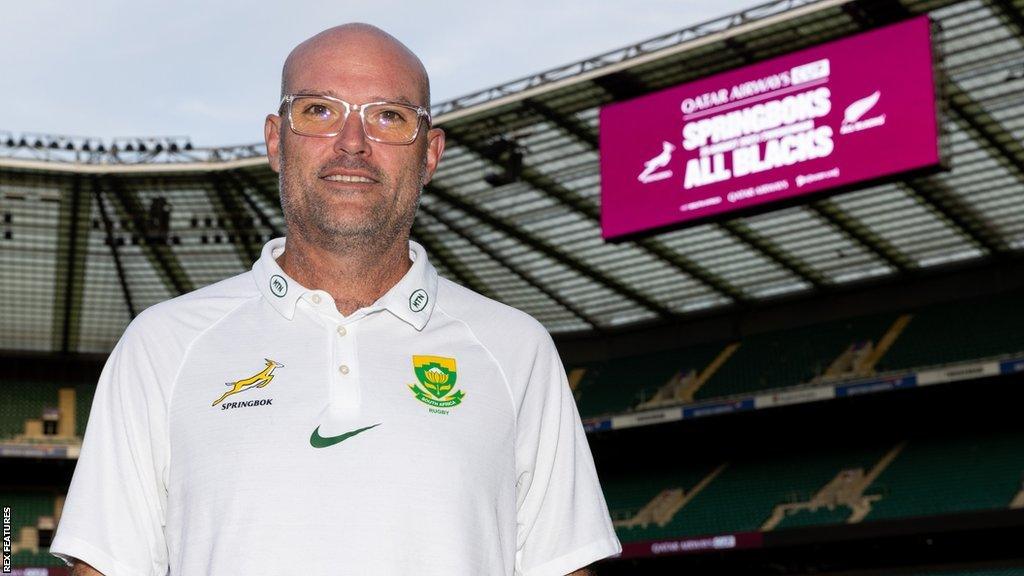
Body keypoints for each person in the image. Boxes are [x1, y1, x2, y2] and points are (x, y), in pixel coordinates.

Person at [50, 23, 621, 576]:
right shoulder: (161, 346)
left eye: (389, 116)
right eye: (319, 110)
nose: (353, 143)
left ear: (430, 154)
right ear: (276, 140)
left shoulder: (517, 350)